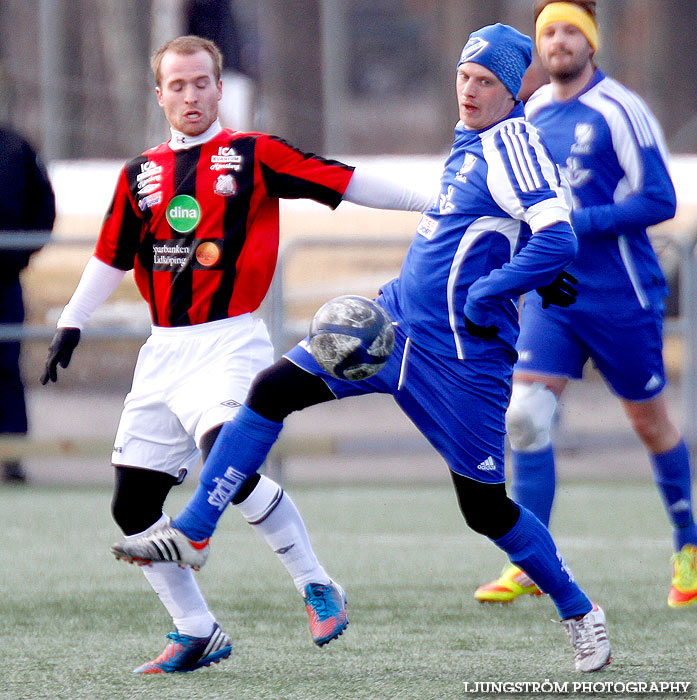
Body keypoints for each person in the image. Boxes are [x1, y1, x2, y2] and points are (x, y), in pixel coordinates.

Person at [111, 24, 613, 673]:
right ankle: (197, 528)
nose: (469, 89)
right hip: (393, 326)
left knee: (484, 509)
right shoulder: (471, 139)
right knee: (272, 390)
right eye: (464, 75)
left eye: (485, 81)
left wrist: (501, 281)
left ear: (513, 89)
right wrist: (502, 263)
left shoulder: (512, 143)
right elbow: (475, 231)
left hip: (462, 360)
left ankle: (578, 610)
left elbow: (557, 239)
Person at [40, 35, 431, 674]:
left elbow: (347, 179)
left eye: (201, 83)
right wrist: (73, 322)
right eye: (177, 85)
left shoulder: (253, 155)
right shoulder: (139, 173)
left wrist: (428, 202)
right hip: (163, 350)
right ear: (159, 94)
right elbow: (111, 254)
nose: (190, 95)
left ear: (221, 89)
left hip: (230, 339)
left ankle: (315, 583)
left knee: (226, 450)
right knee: (133, 506)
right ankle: (196, 630)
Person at [474, 0, 697, 609]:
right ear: (539, 46)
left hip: (621, 294)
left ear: (591, 42)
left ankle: (689, 545)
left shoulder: (620, 110)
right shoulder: (533, 113)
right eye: (550, 32)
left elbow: (660, 199)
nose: (560, 42)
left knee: (649, 424)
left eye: (572, 30)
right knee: (524, 415)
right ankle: (529, 558)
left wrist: (577, 220)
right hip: (556, 296)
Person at [0, 126, 55, 483]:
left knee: (4, 369)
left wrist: (17, 256)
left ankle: (13, 457)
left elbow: (43, 207)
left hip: (3, 284)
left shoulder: (14, 146)